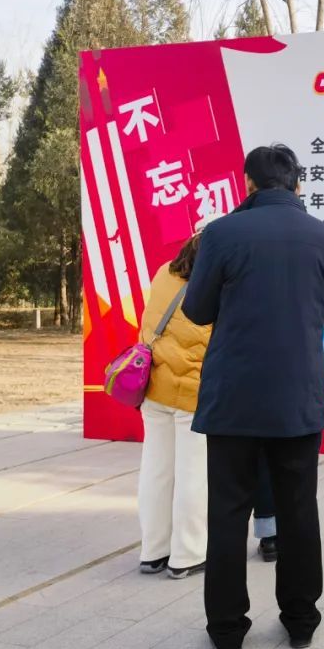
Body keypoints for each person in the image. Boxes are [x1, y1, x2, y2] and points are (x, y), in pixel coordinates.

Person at [183, 144, 324, 649]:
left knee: (228, 513)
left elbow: (197, 309)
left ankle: (227, 632)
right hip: (297, 397)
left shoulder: (222, 234)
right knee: (299, 509)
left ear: (247, 183)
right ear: (297, 184)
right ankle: (300, 622)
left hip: (233, 399)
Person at [136, 230, 212, 580]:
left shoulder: (163, 274)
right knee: (193, 476)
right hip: (193, 396)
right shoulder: (214, 289)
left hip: (154, 388)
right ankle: (187, 554)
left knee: (156, 471)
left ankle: (153, 551)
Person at [252, 327, 324, 564]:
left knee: (264, 455)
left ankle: (270, 534)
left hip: (264, 374)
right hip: (305, 375)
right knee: (298, 463)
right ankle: (293, 535)